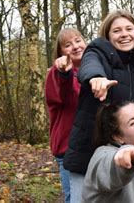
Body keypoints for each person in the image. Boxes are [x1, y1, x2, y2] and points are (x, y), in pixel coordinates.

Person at [63, 10, 134, 203]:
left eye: (129, 29)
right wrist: (96, 78)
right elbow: (90, 63)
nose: (124, 34)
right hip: (87, 154)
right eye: (117, 31)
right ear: (107, 36)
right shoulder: (98, 51)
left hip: (125, 157)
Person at [45, 28, 87, 203]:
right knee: (74, 197)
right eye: (68, 45)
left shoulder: (94, 69)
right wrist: (64, 73)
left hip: (92, 147)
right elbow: (64, 94)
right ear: (61, 52)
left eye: (78, 41)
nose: (75, 47)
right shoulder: (55, 74)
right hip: (68, 149)